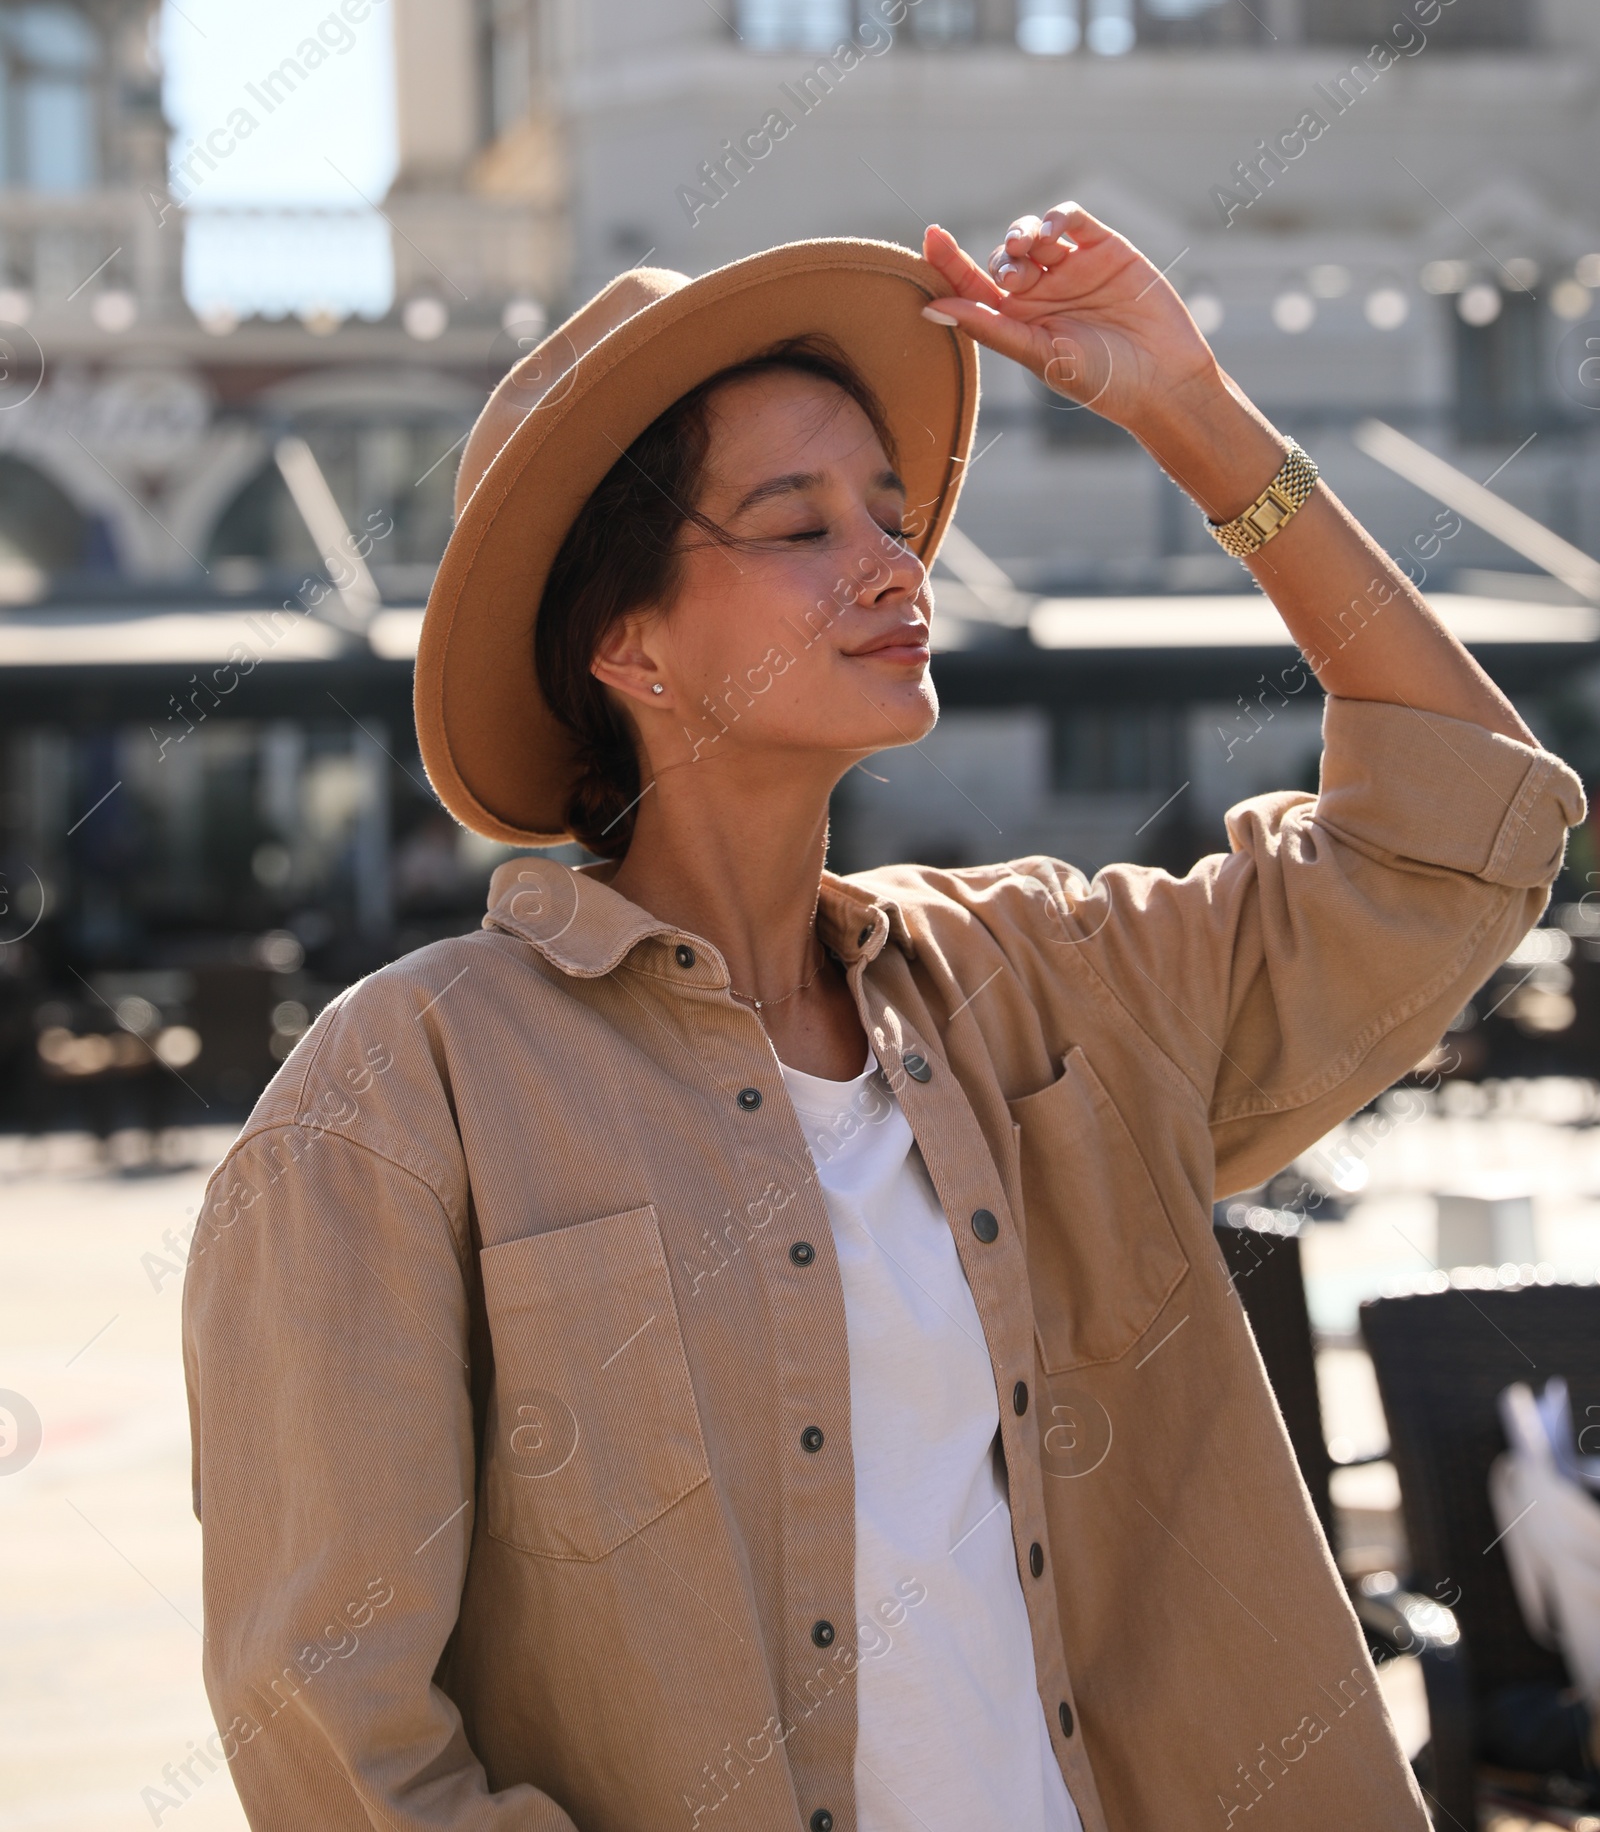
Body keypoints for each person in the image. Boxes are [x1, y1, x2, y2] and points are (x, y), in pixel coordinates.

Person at [183, 208, 1584, 1832]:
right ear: (625, 641)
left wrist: (1196, 418)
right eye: (797, 525)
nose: (889, 559)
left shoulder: (1047, 975)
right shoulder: (403, 1096)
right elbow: (329, 1721)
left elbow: (1455, 833)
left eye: (891, 510)